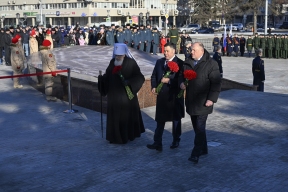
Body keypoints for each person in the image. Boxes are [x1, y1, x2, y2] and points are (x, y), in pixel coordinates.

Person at [179, 42, 221, 164]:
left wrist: (211, 99)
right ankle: (204, 149)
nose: (191, 52)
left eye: (194, 50)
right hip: (191, 100)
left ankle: (195, 153)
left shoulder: (211, 64)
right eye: (191, 50)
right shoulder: (187, 62)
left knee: (200, 126)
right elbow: (181, 76)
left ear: (201, 51)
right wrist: (181, 83)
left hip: (204, 101)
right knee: (197, 127)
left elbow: (216, 83)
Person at [97, 43, 145, 144]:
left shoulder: (131, 63)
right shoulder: (112, 62)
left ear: (124, 54)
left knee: (125, 117)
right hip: (114, 97)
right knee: (115, 118)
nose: (118, 57)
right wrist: (102, 79)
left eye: (120, 55)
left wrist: (129, 82)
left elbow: (140, 77)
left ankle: (127, 136)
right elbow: (108, 76)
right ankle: (115, 137)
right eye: (116, 55)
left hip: (126, 97)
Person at [147, 42, 184, 151]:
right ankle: (157, 142)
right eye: (164, 51)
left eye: (167, 51)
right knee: (160, 120)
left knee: (176, 119)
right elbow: (154, 75)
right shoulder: (159, 62)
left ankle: (176, 140)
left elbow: (181, 80)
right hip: (162, 96)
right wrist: (154, 86)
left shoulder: (180, 63)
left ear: (173, 51)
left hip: (174, 96)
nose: (165, 53)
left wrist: (170, 80)